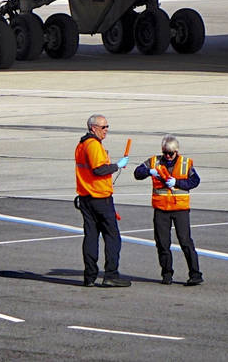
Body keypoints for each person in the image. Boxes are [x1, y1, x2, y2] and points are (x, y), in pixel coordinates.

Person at [134, 135, 202, 285]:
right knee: (162, 243)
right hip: (161, 208)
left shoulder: (185, 163)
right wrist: (149, 171)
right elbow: (137, 173)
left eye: (171, 153)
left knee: (185, 241)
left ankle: (195, 273)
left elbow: (195, 181)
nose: (168, 156)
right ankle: (166, 273)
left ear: (176, 151)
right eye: (165, 153)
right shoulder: (154, 161)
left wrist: (177, 182)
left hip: (180, 209)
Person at [73, 114, 130, 287]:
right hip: (100, 199)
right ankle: (111, 275)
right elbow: (99, 170)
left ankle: (89, 276)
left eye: (107, 127)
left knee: (91, 237)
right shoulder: (93, 145)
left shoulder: (81, 145)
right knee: (112, 237)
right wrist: (117, 166)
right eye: (103, 127)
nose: (106, 130)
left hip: (86, 198)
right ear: (93, 128)